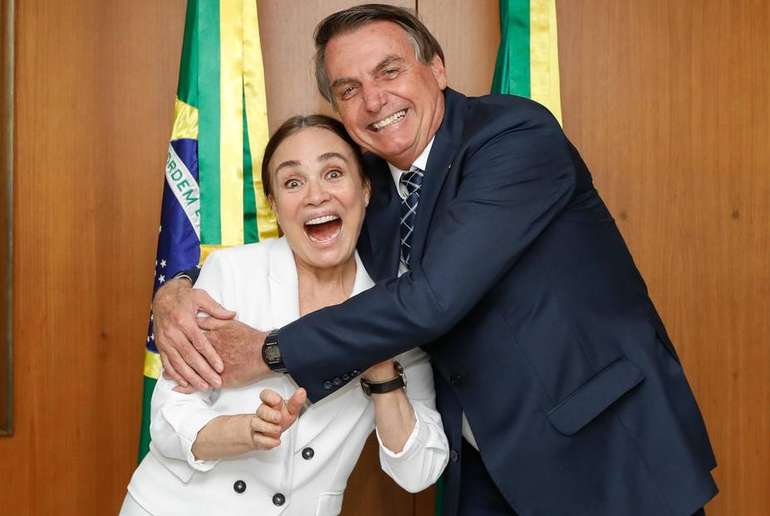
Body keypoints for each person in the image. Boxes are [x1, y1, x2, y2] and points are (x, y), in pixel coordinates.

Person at [153, 5, 717, 515]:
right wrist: (175, 286)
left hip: (605, 451)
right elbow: (308, 231)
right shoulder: (367, 184)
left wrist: (270, 350)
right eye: (349, 89)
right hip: (484, 464)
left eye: (390, 71)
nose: (374, 100)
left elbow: (433, 298)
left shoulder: (515, 136)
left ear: (438, 69)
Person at [122, 115, 449, 516]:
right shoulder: (231, 272)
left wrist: (381, 368)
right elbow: (167, 419)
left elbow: (420, 471)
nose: (315, 196)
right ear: (275, 205)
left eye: (333, 173)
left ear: (364, 189)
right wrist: (244, 432)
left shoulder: (400, 303)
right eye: (293, 182)